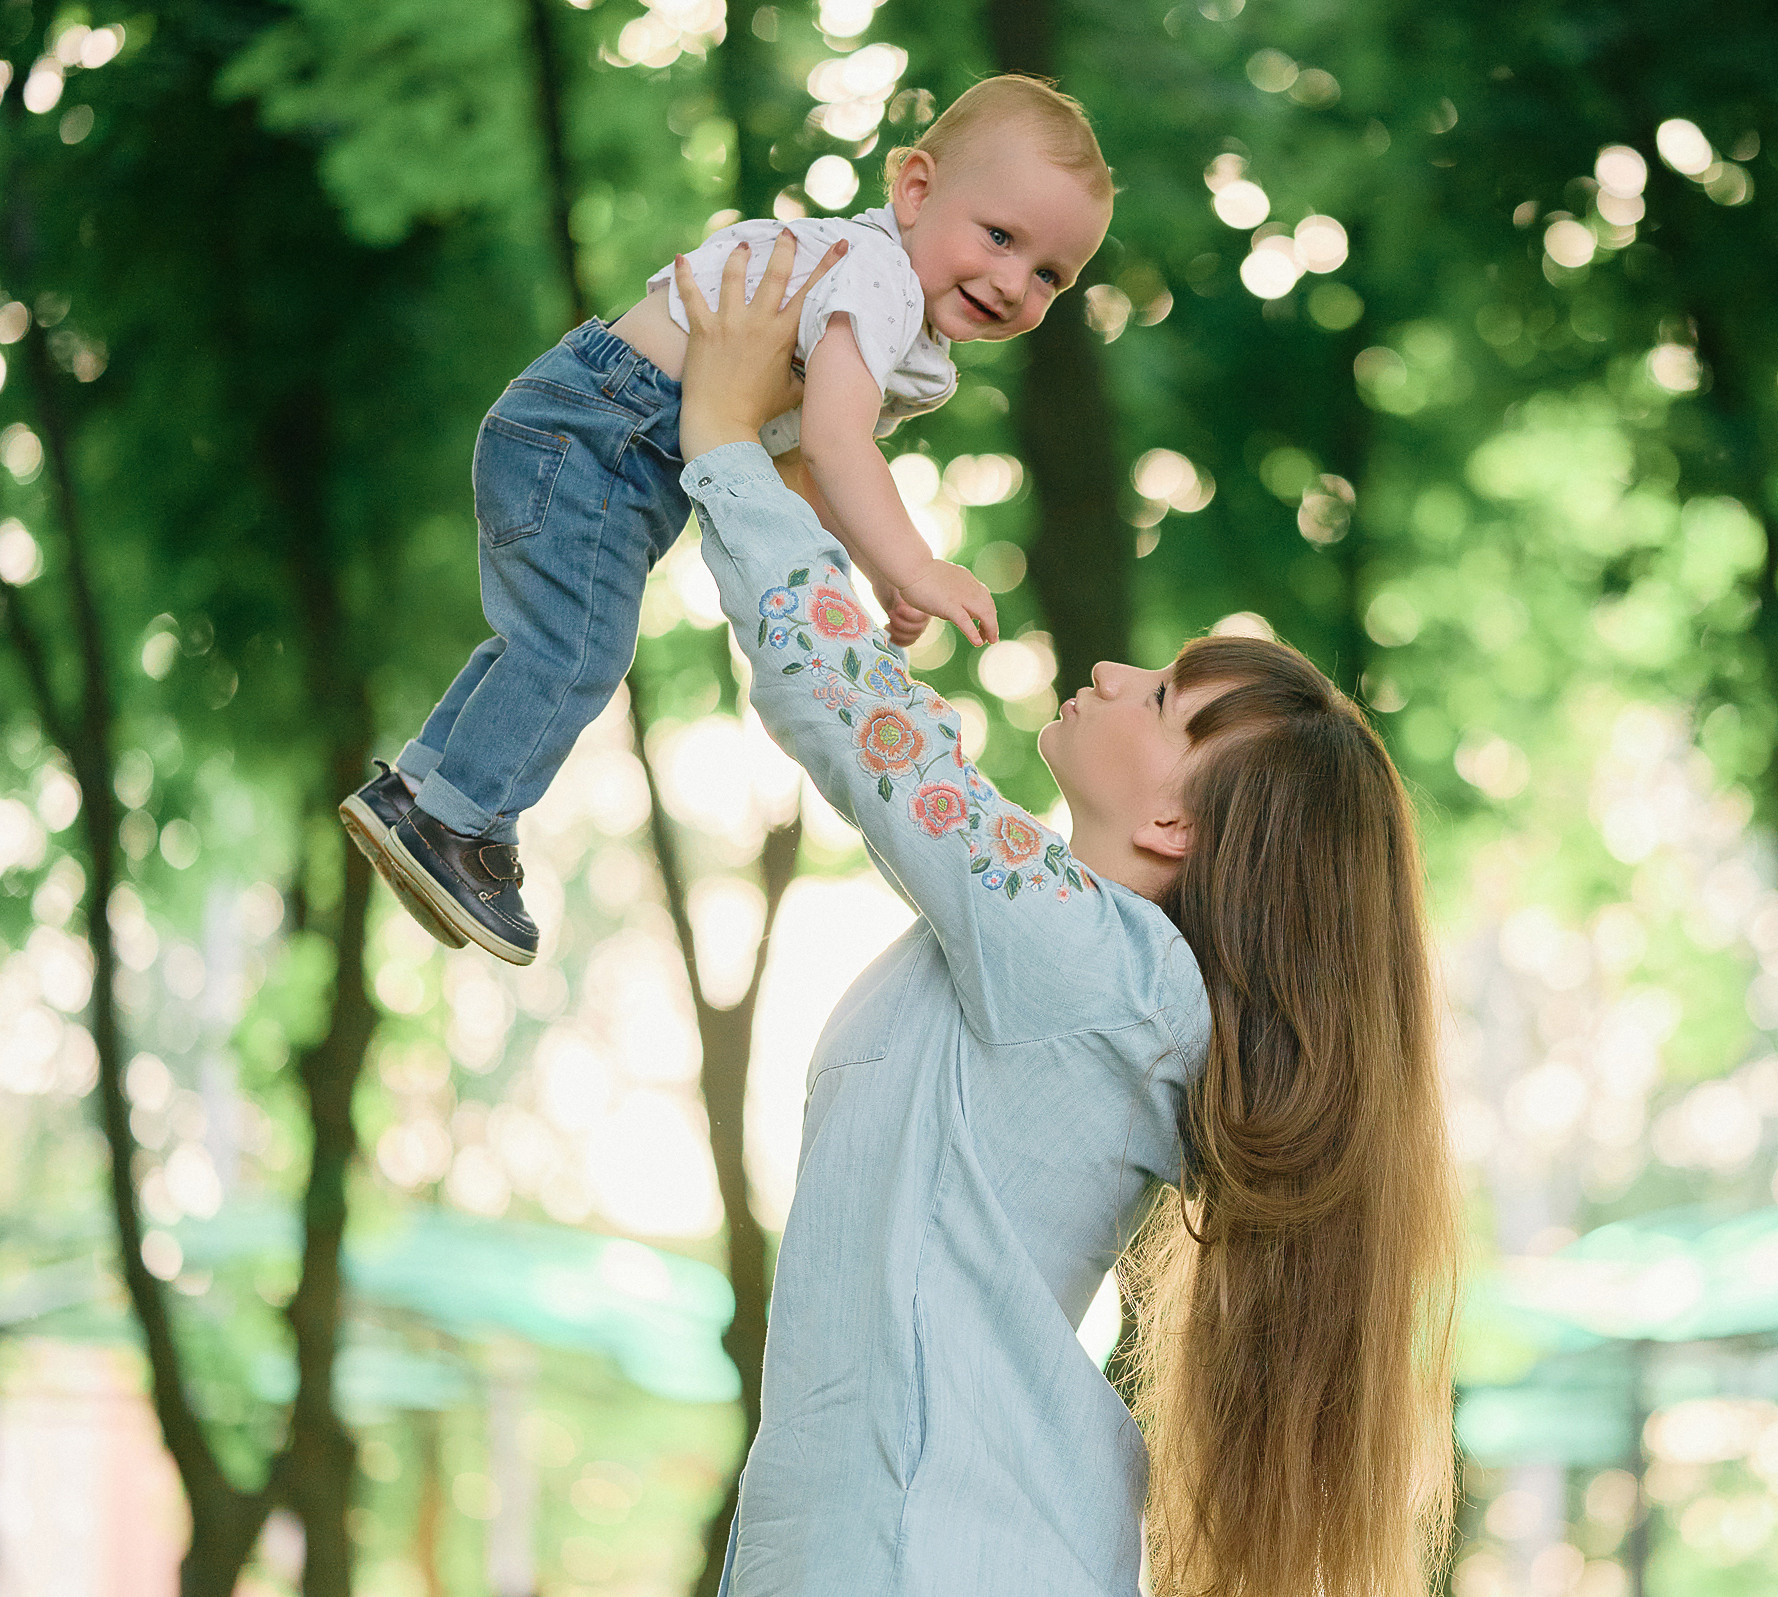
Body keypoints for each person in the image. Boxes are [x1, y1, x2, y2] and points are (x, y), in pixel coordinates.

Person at [674, 232, 1462, 1595]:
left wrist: (725, 447)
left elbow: (864, 722)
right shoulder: (1065, 962)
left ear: (1172, 827)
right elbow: (873, 719)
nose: (1108, 668)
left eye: (1161, 700)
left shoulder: (1091, 963)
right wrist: (807, 478)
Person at [340, 75, 1113, 965]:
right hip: (599, 430)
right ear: (915, 189)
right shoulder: (879, 279)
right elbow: (832, 444)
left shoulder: (895, 314)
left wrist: (879, 572)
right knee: (576, 650)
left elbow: (794, 471)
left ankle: (422, 789)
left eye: (1050, 273)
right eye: (1000, 236)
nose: (1014, 281)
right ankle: (460, 829)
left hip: (588, 435)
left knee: (543, 641)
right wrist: (919, 563)